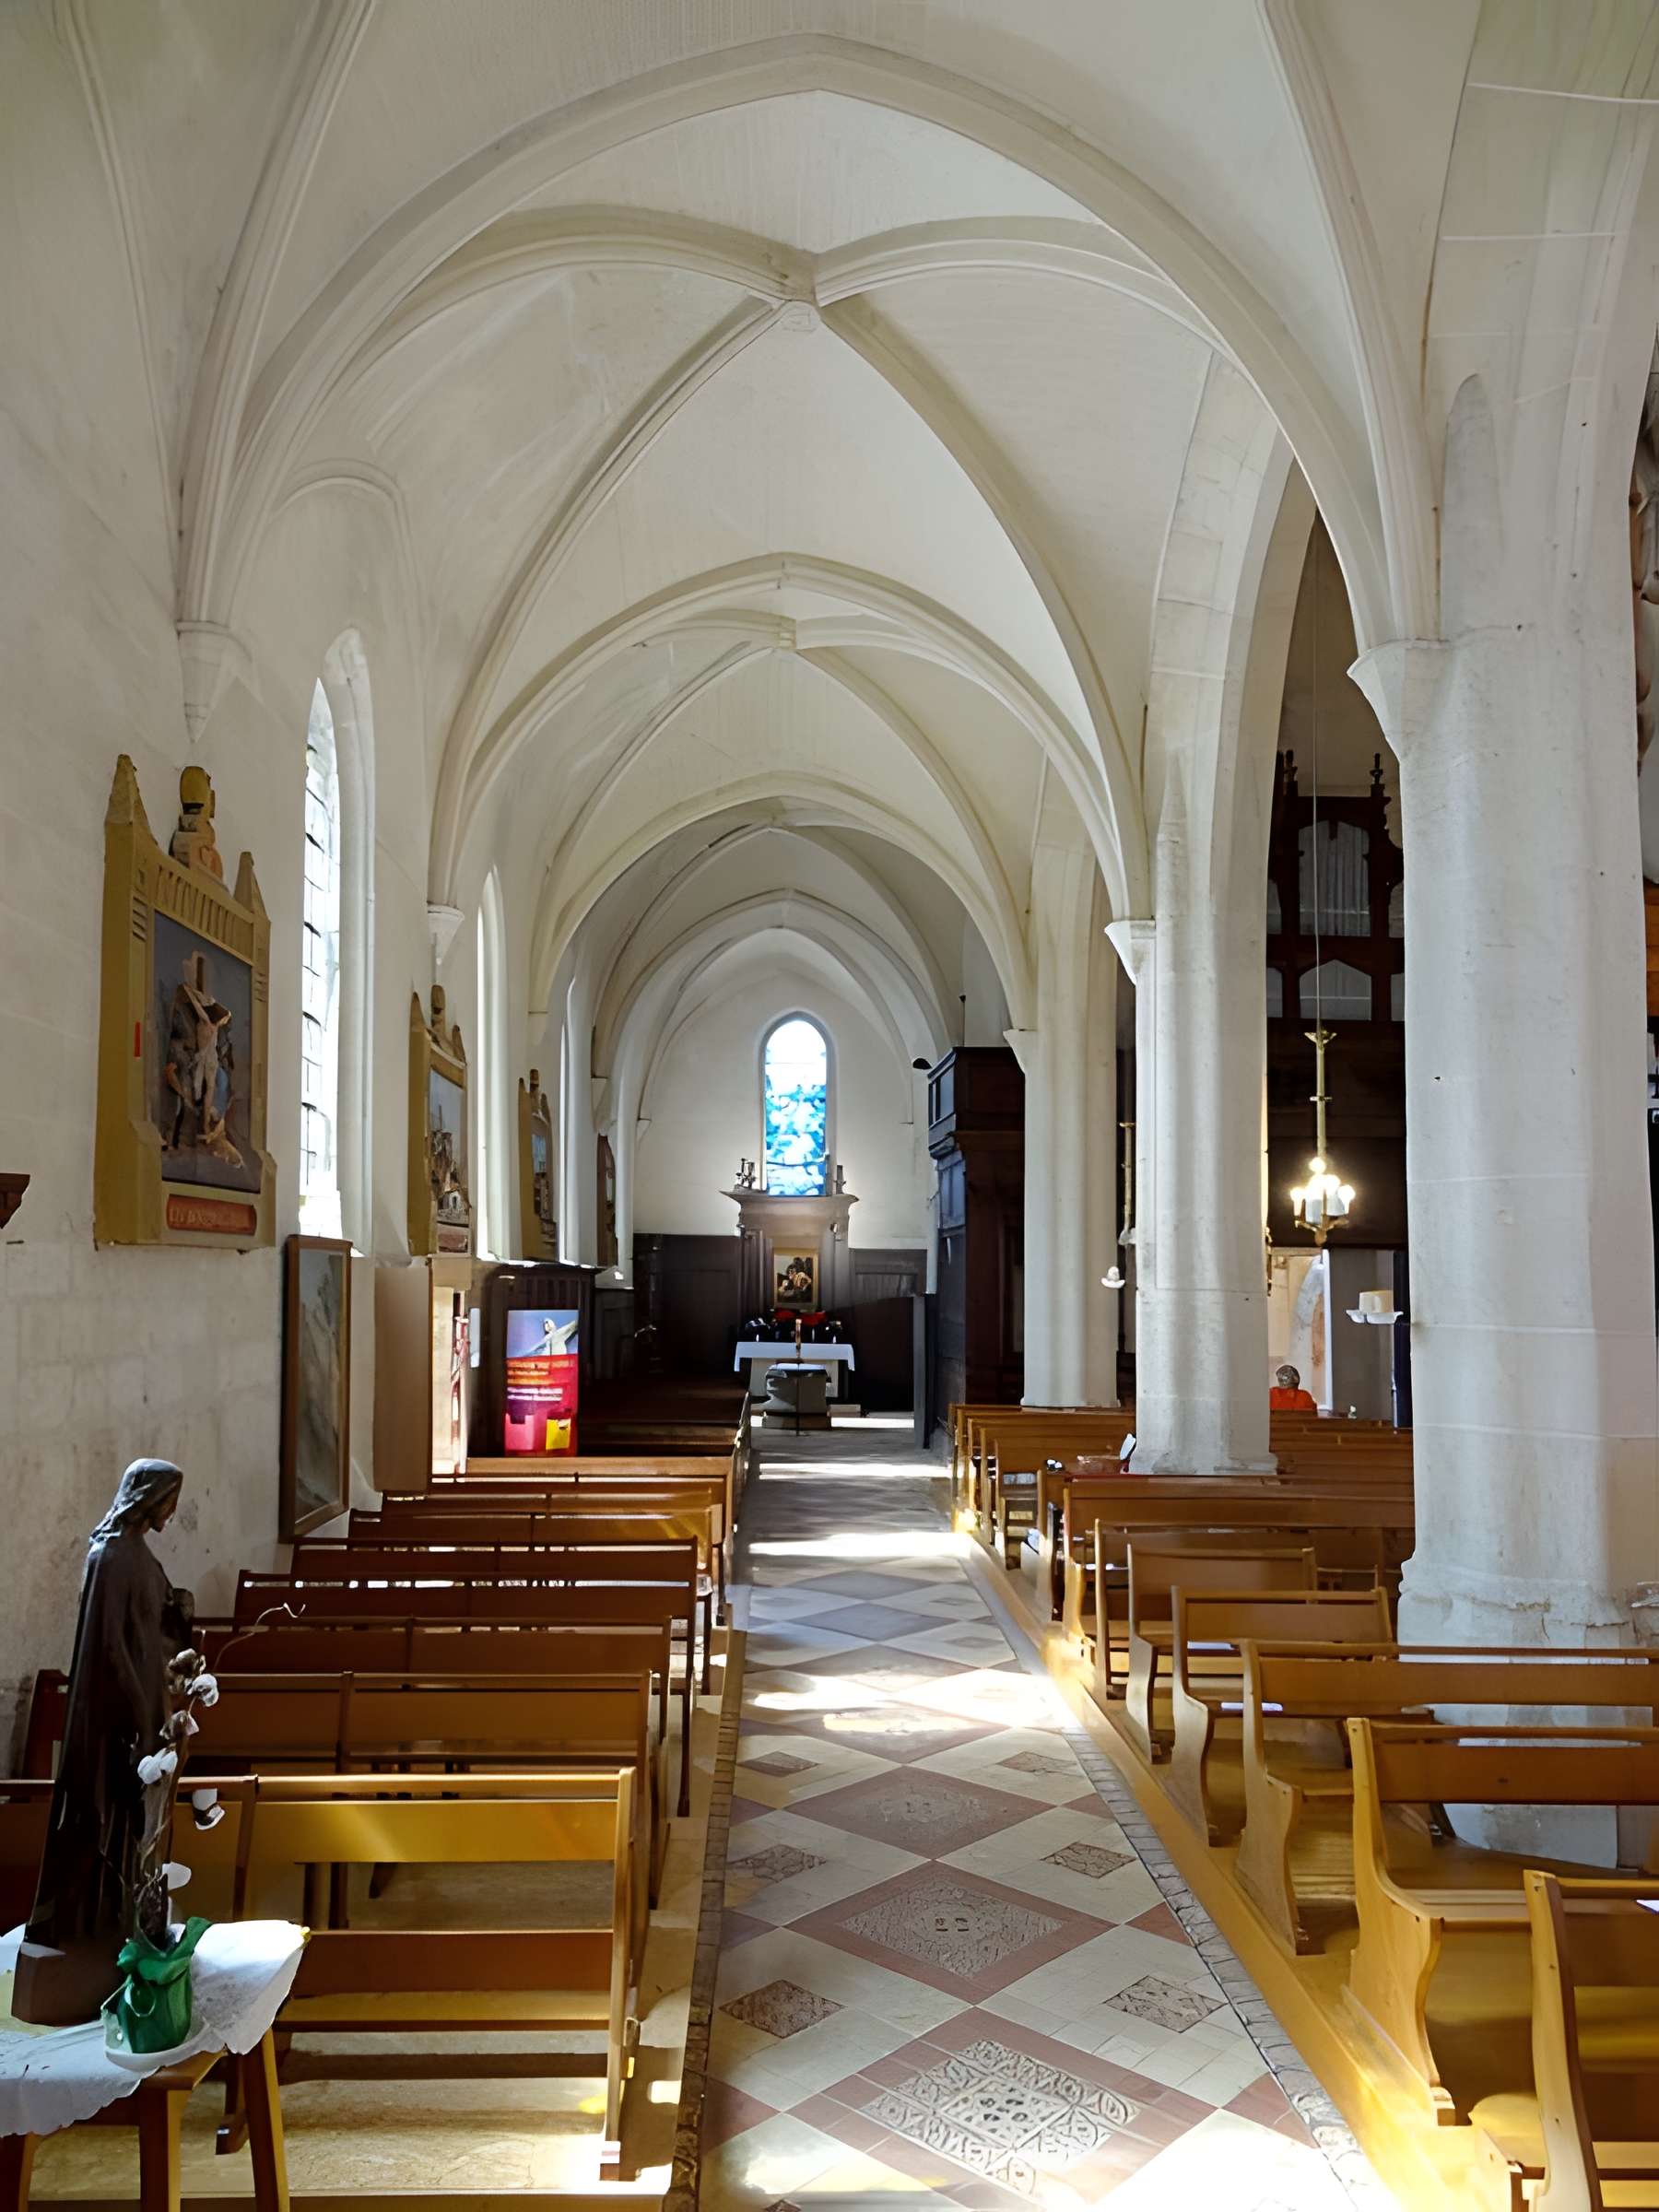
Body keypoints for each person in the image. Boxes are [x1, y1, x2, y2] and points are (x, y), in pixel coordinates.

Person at [14, 1459, 195, 2023]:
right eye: (168, 1501)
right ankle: (99, 1929)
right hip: (115, 1723)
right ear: (148, 1498)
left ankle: (131, 1923)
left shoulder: (138, 1557)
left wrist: (178, 1625)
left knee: (138, 1829)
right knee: (107, 1822)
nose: (172, 1511)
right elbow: (109, 1648)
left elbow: (156, 1629)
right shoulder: (110, 1558)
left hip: (145, 1714)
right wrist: (141, 1710)